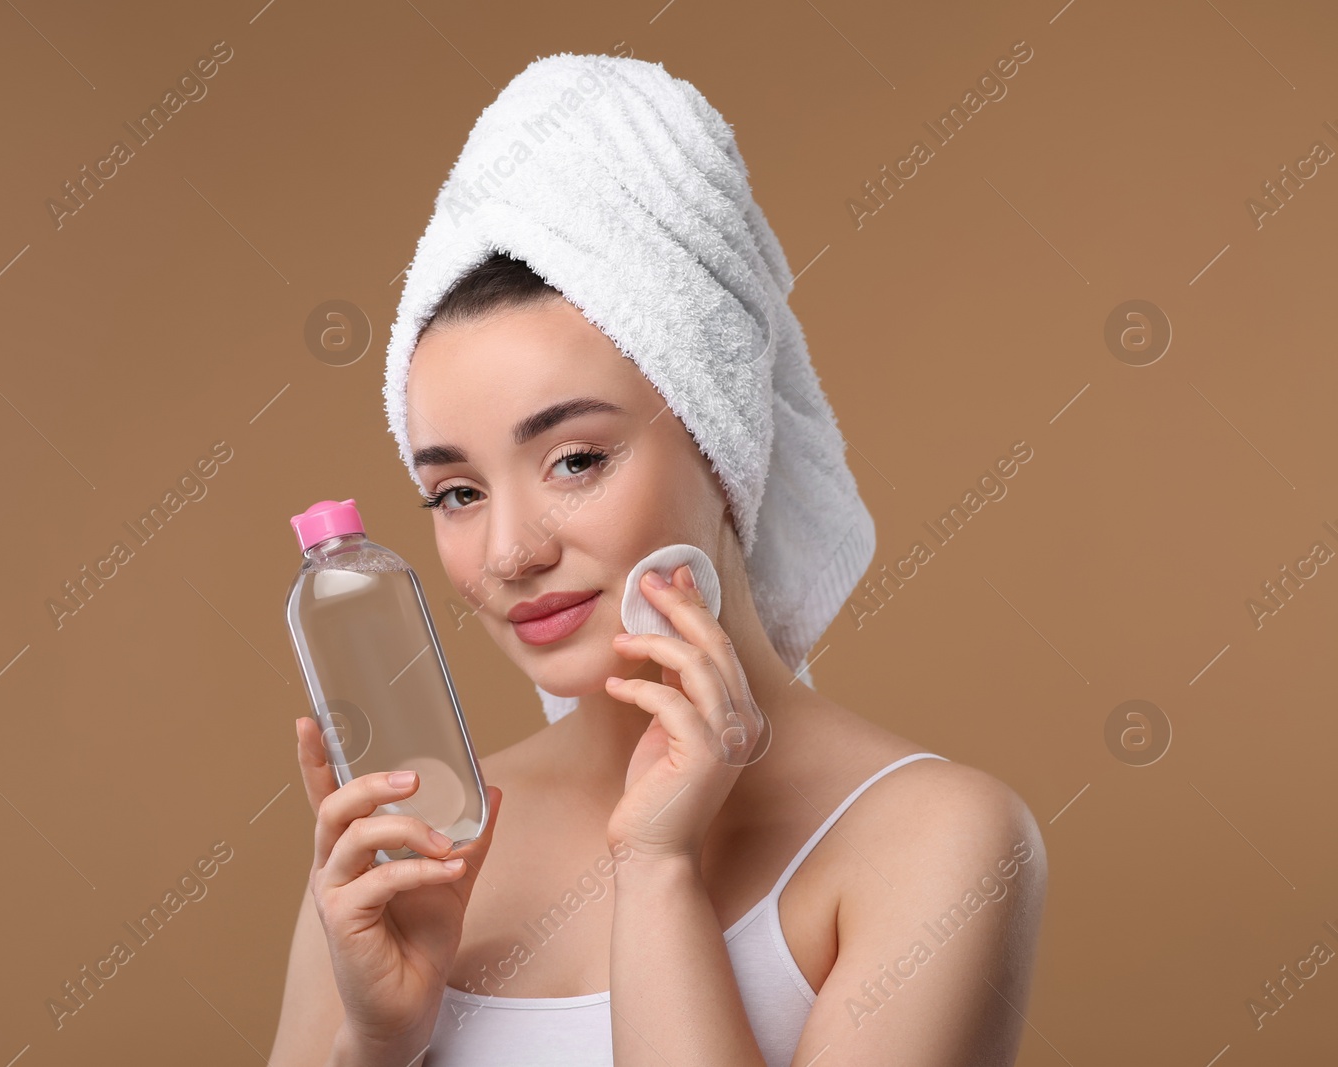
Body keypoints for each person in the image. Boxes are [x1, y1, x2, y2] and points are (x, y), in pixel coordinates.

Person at [270, 55, 1046, 1067]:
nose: (510, 551)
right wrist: (374, 1040)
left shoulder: (940, 842)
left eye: (577, 459)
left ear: (723, 443)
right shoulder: (410, 848)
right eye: (457, 491)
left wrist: (657, 871)